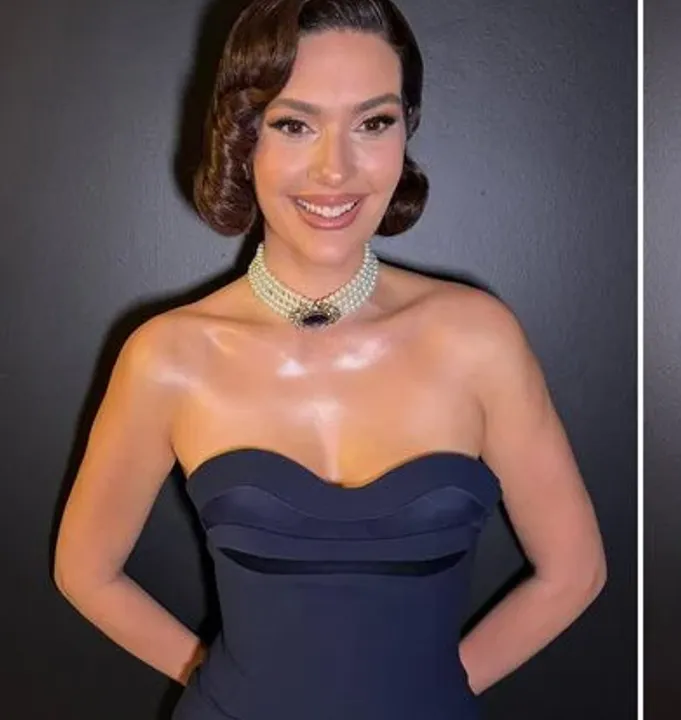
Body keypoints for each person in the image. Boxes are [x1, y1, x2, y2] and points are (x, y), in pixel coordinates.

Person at [52, 1, 606, 717]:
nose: (335, 169)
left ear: (406, 131)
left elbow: (575, 572)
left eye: (373, 123)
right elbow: (86, 571)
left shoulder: (479, 339)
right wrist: (220, 686)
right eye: (295, 124)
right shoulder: (169, 356)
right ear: (243, 136)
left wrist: (438, 688)